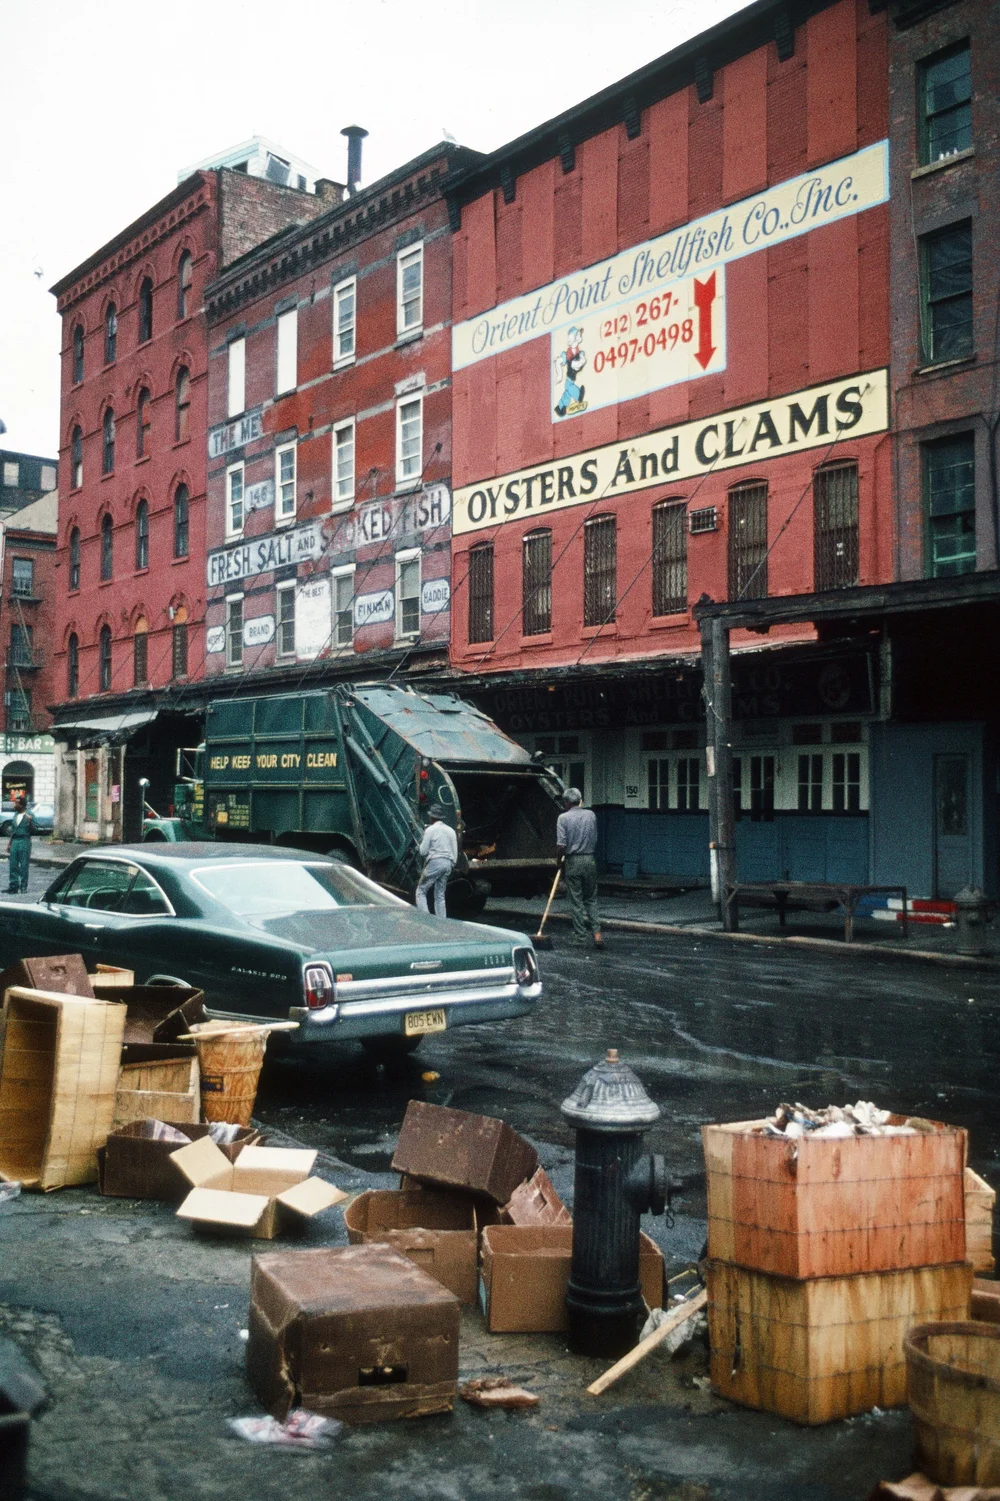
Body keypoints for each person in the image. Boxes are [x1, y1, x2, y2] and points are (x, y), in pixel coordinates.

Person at [556, 788, 603, 948]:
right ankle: (597, 934)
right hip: (590, 859)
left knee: (576, 901)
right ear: (580, 800)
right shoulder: (591, 815)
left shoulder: (563, 818)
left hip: (573, 861)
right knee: (591, 899)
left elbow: (561, 845)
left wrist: (558, 860)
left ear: (567, 802)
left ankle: (580, 937)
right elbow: (594, 836)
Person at [416, 804, 457, 919]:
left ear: (431, 817)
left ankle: (426, 919)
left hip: (435, 862)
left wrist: (419, 845)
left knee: (421, 890)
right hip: (448, 863)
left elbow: (423, 852)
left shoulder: (430, 830)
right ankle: (442, 921)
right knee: (440, 895)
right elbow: (455, 852)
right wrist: (451, 864)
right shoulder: (451, 831)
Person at [7, 795, 33, 894]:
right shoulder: (15, 815)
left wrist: (30, 823)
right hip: (15, 841)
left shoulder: (29, 815)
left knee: (24, 865)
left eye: (16, 803)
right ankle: (13, 886)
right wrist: (9, 844)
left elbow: (35, 830)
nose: (14, 805)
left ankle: (23, 887)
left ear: (21, 805)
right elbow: (13, 831)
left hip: (24, 841)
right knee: (13, 865)